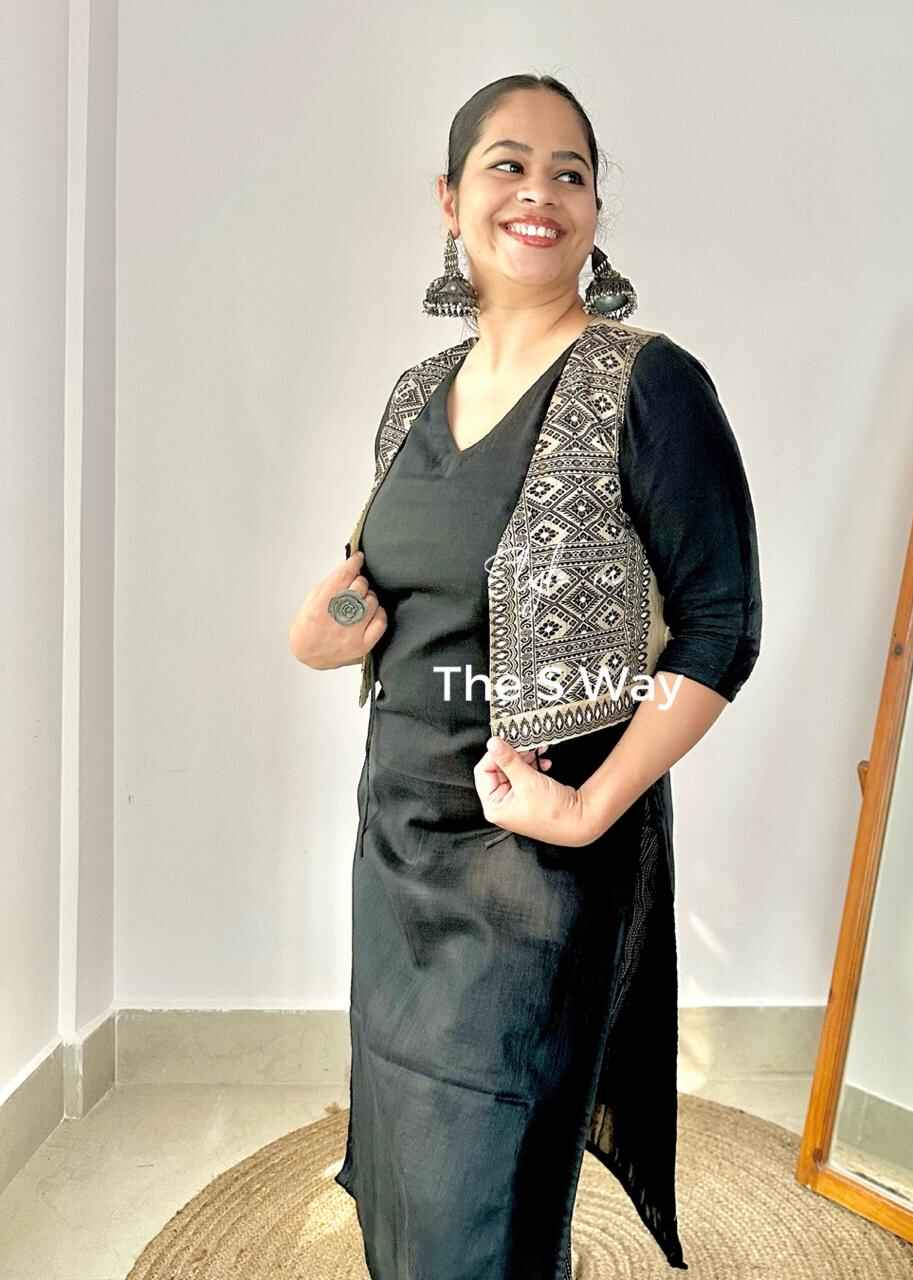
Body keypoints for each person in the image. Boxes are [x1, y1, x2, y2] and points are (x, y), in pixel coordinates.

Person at [289, 73, 762, 1280]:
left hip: (537, 861)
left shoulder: (648, 382)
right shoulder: (412, 397)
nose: (538, 192)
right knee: (402, 1158)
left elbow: (720, 625)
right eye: (507, 164)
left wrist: (590, 805)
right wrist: (321, 629)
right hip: (396, 837)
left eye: (569, 171)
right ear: (449, 199)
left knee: (486, 1191)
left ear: (596, 208)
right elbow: (384, 583)